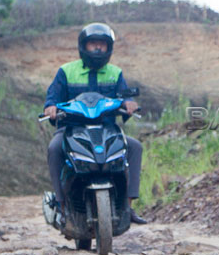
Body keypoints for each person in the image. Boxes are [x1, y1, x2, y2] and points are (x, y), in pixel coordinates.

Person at [44, 22, 147, 224]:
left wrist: (129, 104)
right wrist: (51, 107)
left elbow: (124, 96)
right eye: (93, 44)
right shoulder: (66, 71)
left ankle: (128, 206)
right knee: (54, 149)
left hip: (106, 129)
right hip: (71, 128)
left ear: (109, 48)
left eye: (102, 44)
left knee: (135, 147)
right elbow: (52, 97)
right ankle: (61, 205)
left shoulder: (115, 73)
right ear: (84, 46)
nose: (98, 48)